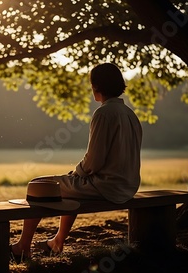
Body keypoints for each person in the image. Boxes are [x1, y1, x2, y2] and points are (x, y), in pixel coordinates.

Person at [10, 62, 143, 262]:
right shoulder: (130, 115)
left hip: (106, 187)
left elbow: (94, 162)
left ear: (96, 86)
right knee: (69, 187)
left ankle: (22, 247)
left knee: (38, 186)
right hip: (128, 186)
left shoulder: (104, 113)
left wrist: (76, 173)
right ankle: (57, 241)